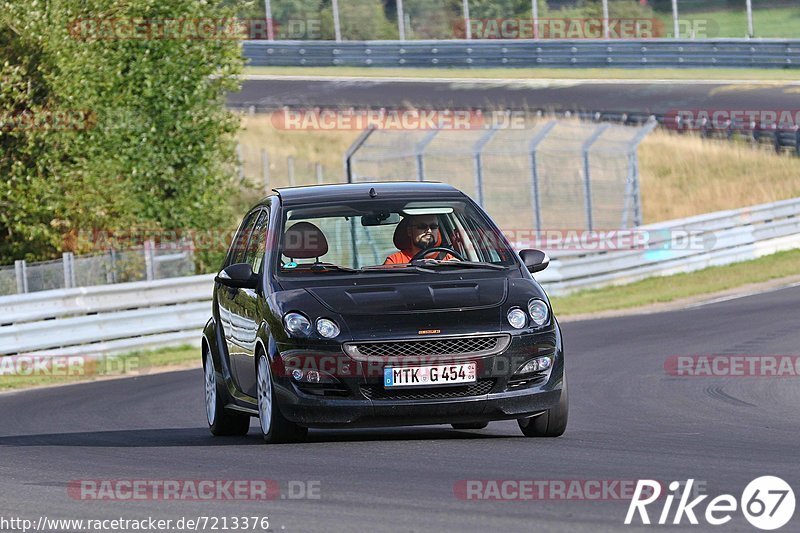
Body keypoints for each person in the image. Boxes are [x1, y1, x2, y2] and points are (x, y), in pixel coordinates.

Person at [384, 214, 455, 265]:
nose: (429, 231)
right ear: (409, 231)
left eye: (433, 227)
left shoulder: (449, 259)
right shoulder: (395, 261)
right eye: (422, 226)